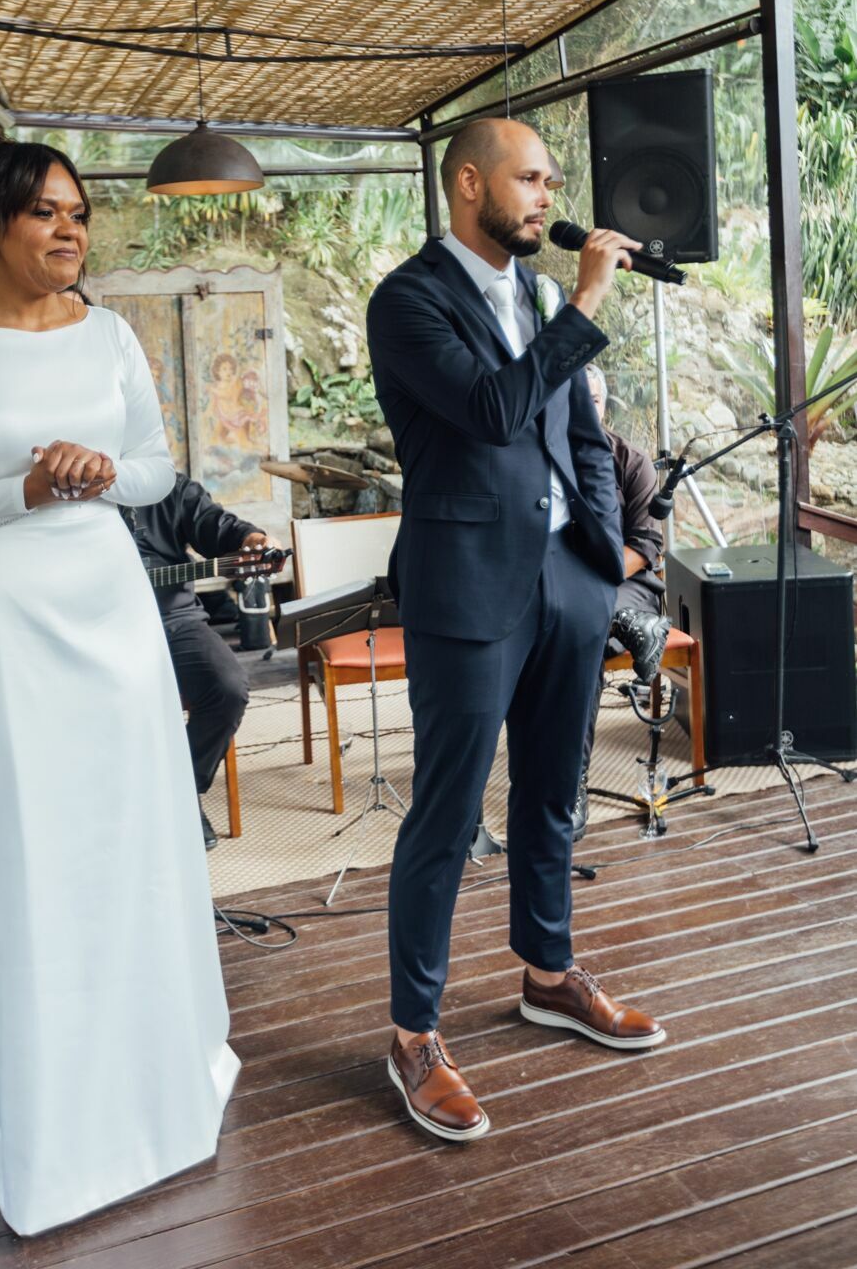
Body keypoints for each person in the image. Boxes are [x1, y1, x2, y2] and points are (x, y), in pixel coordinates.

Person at [0, 131, 238, 1237]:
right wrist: (17, 488)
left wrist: (95, 471)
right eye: (42, 213)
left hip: (105, 606)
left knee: (122, 834)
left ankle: (145, 1062)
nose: (68, 228)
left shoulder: (114, 334)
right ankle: (34, 1072)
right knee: (27, 844)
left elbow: (156, 469)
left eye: (77, 211)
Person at [366, 117, 666, 1145]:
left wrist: (602, 554)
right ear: (466, 184)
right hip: (464, 587)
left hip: (564, 582)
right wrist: (584, 301)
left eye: (548, 180)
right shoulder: (407, 300)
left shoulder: (536, 296)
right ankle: (412, 1034)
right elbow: (494, 409)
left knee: (554, 792)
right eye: (527, 179)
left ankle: (546, 972)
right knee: (446, 815)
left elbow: (581, 432)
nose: (544, 197)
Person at [130, 474, 268, 850]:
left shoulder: (165, 484)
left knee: (226, 687)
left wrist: (249, 539)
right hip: (98, 624)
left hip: (175, 618)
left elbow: (214, 525)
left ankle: (180, 793)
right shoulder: (72, 491)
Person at [572, 364, 672, 841]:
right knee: (582, 638)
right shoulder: (544, 457)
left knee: (588, 622)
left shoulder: (631, 460)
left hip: (628, 583)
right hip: (574, 603)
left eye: (591, 399)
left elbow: (647, 544)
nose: (584, 407)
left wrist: (599, 580)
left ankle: (570, 788)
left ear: (604, 404)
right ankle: (571, 782)